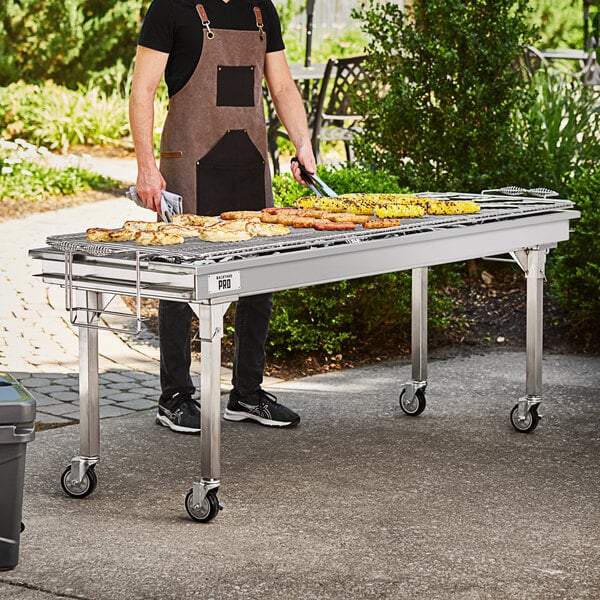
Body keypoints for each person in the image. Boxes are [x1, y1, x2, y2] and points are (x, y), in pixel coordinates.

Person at [129, 0, 316, 434]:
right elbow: (143, 91)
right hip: (188, 163)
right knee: (180, 279)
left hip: (249, 162)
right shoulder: (170, 8)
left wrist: (302, 144)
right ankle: (174, 396)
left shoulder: (259, 9)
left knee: (259, 276)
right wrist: (145, 166)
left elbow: (283, 86)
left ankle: (247, 393)